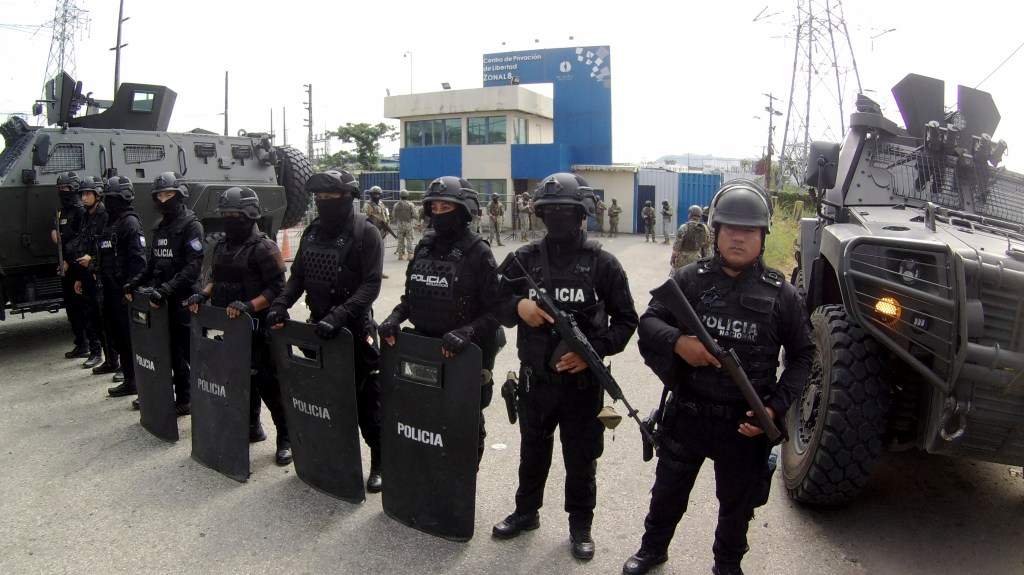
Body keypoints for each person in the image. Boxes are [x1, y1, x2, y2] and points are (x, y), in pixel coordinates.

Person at [621, 180, 815, 575]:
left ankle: (727, 566)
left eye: (749, 231)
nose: (738, 238)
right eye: (730, 229)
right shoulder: (691, 280)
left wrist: (775, 409)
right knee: (668, 493)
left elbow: (804, 355)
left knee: (737, 507)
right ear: (716, 231)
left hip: (744, 426)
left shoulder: (783, 295)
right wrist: (679, 343)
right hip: (688, 415)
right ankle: (652, 550)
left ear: (763, 237)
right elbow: (649, 322)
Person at [491, 172, 638, 561]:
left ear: (581, 213)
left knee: (581, 456)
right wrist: (518, 307)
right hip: (535, 380)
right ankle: (526, 513)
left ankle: (580, 526)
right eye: (549, 210)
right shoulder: (524, 259)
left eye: (565, 210)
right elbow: (494, 301)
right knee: (532, 451)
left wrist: (591, 350)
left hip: (582, 385)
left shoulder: (603, 264)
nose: (556, 216)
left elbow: (626, 321)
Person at [267, 169, 384, 492]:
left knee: (365, 402)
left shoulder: (366, 232)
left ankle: (380, 460)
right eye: (320, 198)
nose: (324, 203)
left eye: (331, 198)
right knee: (322, 398)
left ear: (348, 199)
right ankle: (330, 456)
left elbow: (371, 284)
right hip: (318, 331)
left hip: (353, 331)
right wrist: (280, 304)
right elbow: (298, 278)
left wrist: (341, 314)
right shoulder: (313, 232)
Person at [378, 176, 501, 464]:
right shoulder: (424, 247)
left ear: (463, 209)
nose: (438, 212)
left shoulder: (478, 252)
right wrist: (394, 318)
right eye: (434, 206)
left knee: (464, 421)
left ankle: (462, 481)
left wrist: (468, 331)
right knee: (423, 417)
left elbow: (498, 311)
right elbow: (411, 298)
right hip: (425, 349)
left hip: (465, 353)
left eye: (446, 206)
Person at [186, 187, 292, 465]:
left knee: (270, 384)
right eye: (226, 214)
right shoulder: (221, 246)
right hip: (231, 329)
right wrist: (204, 294)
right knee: (242, 380)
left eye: (235, 214)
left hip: (261, 326)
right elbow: (216, 279)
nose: (229, 219)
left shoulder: (264, 247)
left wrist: (250, 306)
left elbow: (278, 289)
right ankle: (252, 428)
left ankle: (286, 437)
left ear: (250, 215)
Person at [121, 172, 204, 415]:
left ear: (180, 195)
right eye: (159, 195)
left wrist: (167, 289)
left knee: (189, 352)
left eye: (168, 194)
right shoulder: (159, 227)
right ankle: (181, 398)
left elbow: (193, 267)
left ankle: (201, 399)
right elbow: (152, 265)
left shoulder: (191, 225)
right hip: (162, 299)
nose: (163, 199)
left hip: (183, 298)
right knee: (169, 352)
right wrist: (134, 283)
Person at [98, 176, 147, 396]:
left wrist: (131, 287)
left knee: (129, 339)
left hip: (124, 291)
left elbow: (139, 259)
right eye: (106, 198)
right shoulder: (110, 223)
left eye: (112, 198)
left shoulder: (129, 223)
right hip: (109, 289)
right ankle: (129, 378)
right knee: (117, 335)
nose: (108, 202)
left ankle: (136, 380)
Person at [70, 176, 109, 370]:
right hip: (85, 274)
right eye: (82, 194)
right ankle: (96, 352)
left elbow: (106, 248)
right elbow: (82, 243)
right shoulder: (85, 216)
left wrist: (92, 262)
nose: (84, 197)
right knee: (90, 316)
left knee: (103, 318)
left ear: (97, 195)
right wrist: (79, 278)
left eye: (87, 193)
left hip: (98, 273)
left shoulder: (104, 216)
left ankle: (112, 359)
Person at [53, 171, 93, 360]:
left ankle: (88, 345)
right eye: (60, 189)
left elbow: (79, 240)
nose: (63, 192)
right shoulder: (64, 211)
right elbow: (65, 235)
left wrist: (68, 261)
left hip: (77, 266)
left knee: (81, 307)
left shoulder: (79, 211)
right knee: (71, 307)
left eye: (66, 189)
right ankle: (81, 342)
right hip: (67, 266)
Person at [669, 205, 712, 275]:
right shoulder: (705, 228)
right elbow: (707, 248)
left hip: (683, 259)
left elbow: (676, 249)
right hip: (696, 258)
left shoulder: (683, 228)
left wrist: (672, 259)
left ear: (690, 214)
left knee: (677, 277)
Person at [364, 185, 391, 278]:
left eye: (378, 194)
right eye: (374, 194)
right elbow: (366, 218)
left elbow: (386, 216)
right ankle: (370, 273)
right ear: (371, 195)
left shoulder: (381, 204)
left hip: (382, 232)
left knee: (381, 252)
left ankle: (379, 271)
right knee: (371, 253)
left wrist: (387, 227)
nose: (377, 196)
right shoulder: (368, 205)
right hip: (372, 232)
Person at [392, 189, 417, 260]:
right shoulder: (411, 204)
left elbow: (394, 215)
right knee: (410, 239)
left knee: (400, 239)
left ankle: (400, 254)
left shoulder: (396, 205)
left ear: (400, 196)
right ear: (407, 195)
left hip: (400, 224)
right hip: (409, 224)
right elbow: (415, 215)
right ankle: (410, 255)